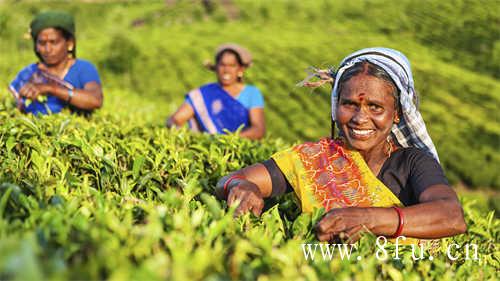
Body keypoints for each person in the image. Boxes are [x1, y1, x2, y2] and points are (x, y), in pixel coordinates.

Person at [215, 47, 466, 242]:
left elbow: (451, 216)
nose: (360, 118)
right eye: (350, 105)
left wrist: (367, 218)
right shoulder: (313, 159)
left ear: (397, 113)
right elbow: (230, 180)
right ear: (336, 107)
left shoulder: (413, 162)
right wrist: (241, 187)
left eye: (375, 107)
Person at [8, 11, 103, 115]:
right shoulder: (28, 73)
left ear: (69, 43)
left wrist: (50, 89)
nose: (48, 49)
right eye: (42, 43)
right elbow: (13, 107)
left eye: (54, 42)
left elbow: (95, 100)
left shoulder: (83, 69)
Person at [166, 43, 265, 140]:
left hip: (240, 148)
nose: (226, 70)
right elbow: (176, 119)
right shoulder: (204, 94)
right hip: (211, 149)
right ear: (216, 68)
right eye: (222, 65)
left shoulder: (252, 93)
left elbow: (258, 129)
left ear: (240, 69)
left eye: (232, 65)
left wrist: (228, 140)